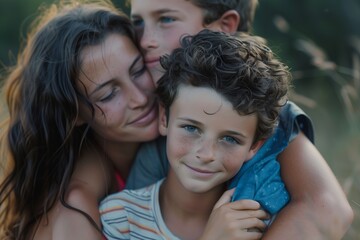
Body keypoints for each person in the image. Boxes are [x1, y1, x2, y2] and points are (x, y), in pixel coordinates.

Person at [126, 0, 354, 239]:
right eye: (138, 22)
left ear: (225, 26)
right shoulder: (130, 101)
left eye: (166, 19)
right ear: (165, 116)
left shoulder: (258, 109)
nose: (144, 40)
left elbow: (327, 208)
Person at [100, 30, 290, 240]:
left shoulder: (262, 224)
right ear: (164, 118)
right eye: (191, 128)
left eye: (230, 139)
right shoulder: (121, 217)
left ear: (254, 146)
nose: (206, 154)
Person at [0, 0, 160, 239]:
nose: (139, 98)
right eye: (108, 94)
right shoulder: (73, 211)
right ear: (74, 114)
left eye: (137, 70)